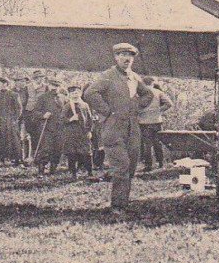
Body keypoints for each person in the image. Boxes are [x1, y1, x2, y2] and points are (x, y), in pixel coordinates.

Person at [83, 43, 154, 212]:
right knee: (121, 166)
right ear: (116, 57)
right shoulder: (108, 75)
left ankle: (124, 201)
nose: (127, 59)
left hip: (132, 128)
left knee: (131, 166)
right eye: (122, 55)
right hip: (113, 128)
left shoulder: (134, 77)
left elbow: (148, 94)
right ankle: (118, 206)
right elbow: (89, 93)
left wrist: (137, 105)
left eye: (130, 56)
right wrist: (107, 111)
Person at [138, 76, 173, 172]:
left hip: (144, 122)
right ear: (152, 83)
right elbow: (169, 104)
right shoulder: (158, 92)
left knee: (147, 145)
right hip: (157, 121)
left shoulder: (139, 93)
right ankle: (160, 163)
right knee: (158, 143)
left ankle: (148, 165)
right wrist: (158, 111)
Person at [0, 76, 24, 164]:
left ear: (6, 84)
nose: (0, 86)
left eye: (1, 84)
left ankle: (15, 158)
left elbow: (19, 109)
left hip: (10, 120)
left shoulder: (14, 94)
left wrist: (15, 119)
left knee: (13, 139)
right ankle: (0, 157)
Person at [33, 79, 65, 175]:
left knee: (58, 148)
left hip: (60, 128)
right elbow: (35, 112)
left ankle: (53, 170)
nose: (55, 88)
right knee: (45, 149)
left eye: (57, 86)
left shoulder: (63, 98)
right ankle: (41, 170)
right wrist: (43, 115)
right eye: (53, 85)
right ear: (49, 86)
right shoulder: (42, 97)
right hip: (47, 127)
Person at [62, 84, 95, 179]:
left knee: (87, 153)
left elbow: (89, 119)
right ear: (69, 95)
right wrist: (70, 119)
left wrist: (89, 131)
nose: (75, 95)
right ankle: (73, 174)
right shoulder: (67, 106)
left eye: (77, 92)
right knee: (72, 154)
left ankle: (89, 172)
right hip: (71, 133)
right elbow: (61, 119)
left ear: (80, 93)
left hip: (83, 133)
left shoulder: (85, 105)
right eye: (72, 93)